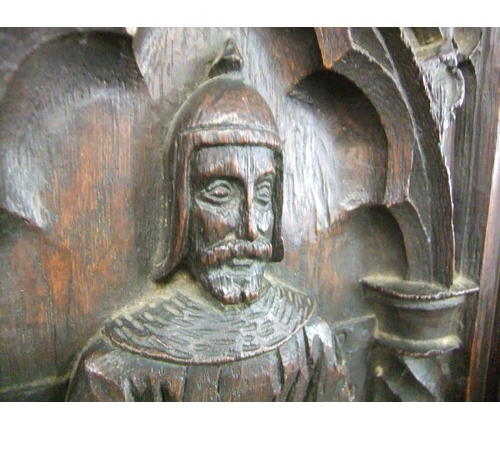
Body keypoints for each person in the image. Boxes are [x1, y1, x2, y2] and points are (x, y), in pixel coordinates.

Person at [66, 45, 352, 401]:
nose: (251, 228)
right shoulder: (118, 368)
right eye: (220, 194)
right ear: (181, 207)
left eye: (263, 194)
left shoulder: (311, 343)